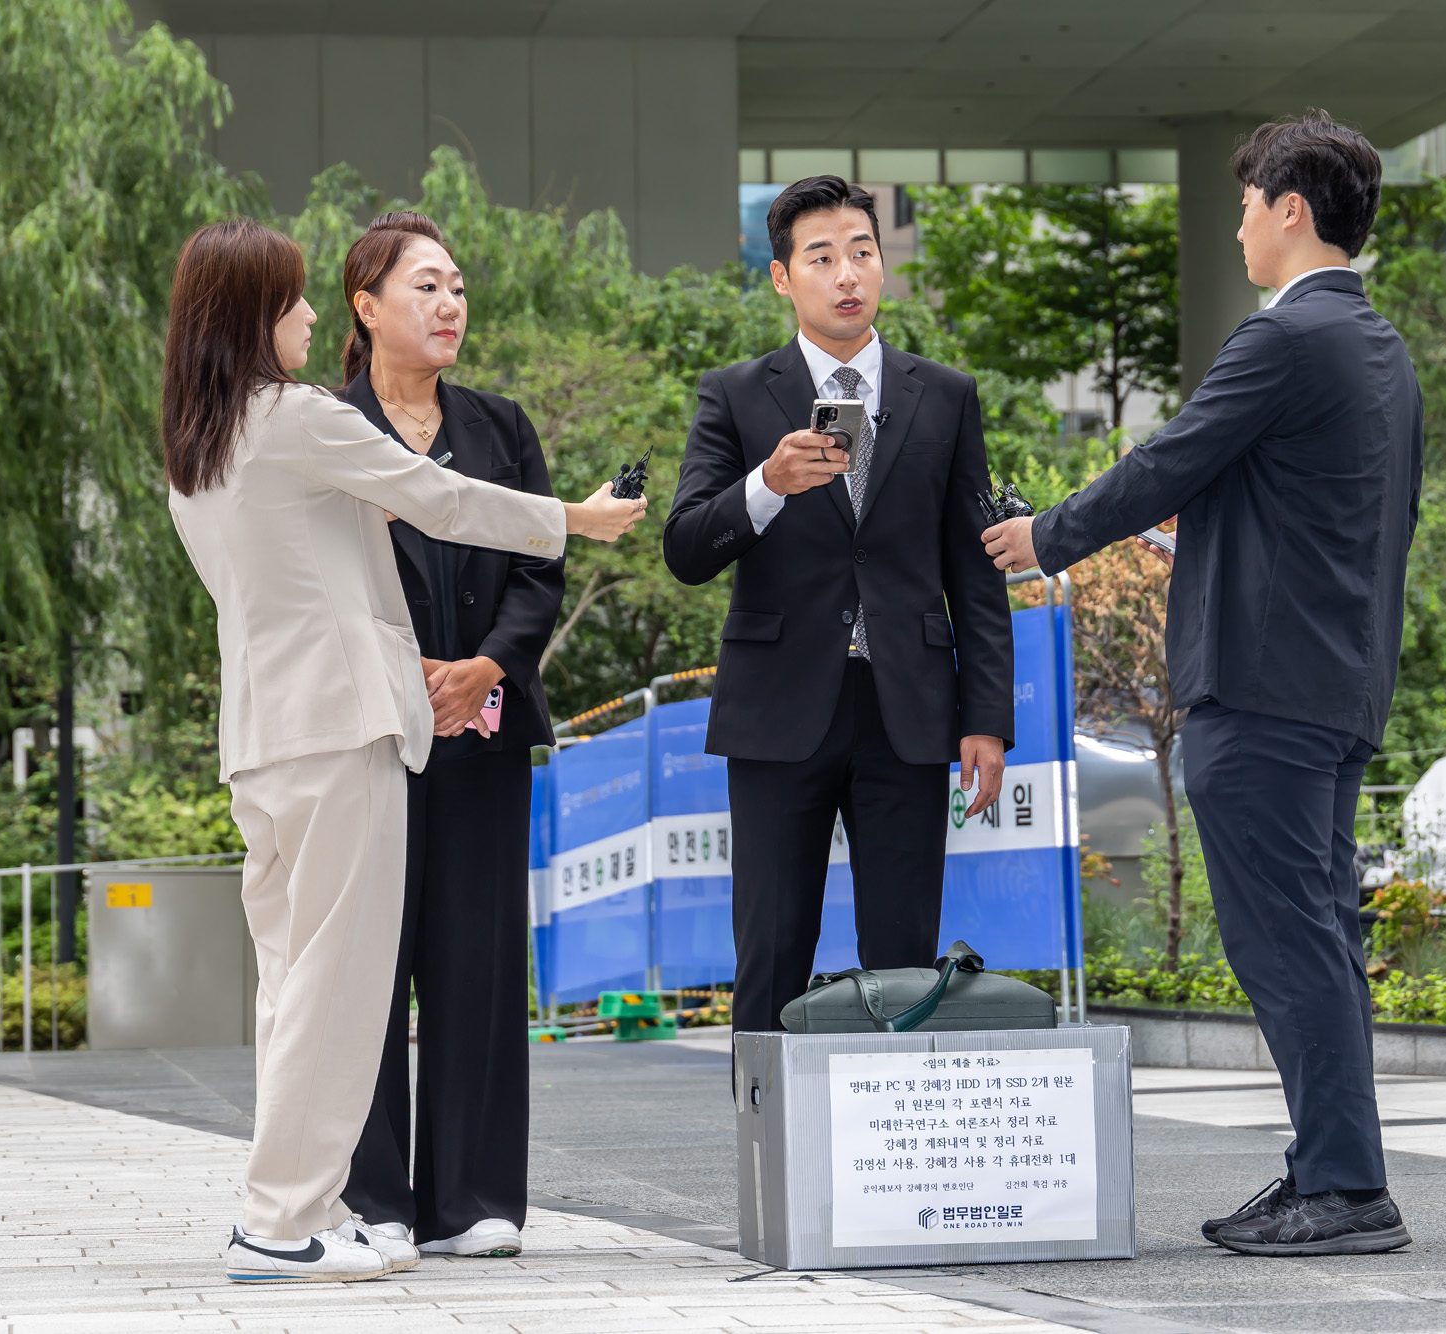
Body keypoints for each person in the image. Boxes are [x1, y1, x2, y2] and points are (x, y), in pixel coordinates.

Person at [161, 218, 642, 1284]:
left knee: (293, 984)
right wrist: (580, 518)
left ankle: (293, 1204)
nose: (303, 319)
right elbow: (442, 497)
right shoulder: (293, 417)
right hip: (341, 729)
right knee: (339, 983)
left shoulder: (197, 443)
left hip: (263, 739)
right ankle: (283, 1218)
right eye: (290, 302)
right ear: (251, 316)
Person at [982, 112, 1423, 1256]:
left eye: (1242, 205)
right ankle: (1330, 1169)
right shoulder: (1376, 347)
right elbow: (1319, 510)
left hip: (1261, 690)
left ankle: (1342, 1185)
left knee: (1287, 941)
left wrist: (1048, 535)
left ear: (1288, 208)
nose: (1233, 228)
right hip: (1336, 684)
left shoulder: (1278, 339)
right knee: (1316, 933)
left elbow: (1167, 457)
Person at [663, 175, 1014, 1040]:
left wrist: (988, 719)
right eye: (821, 258)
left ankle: (887, 1165)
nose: (847, 273)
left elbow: (976, 569)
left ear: (882, 267)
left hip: (909, 707)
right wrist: (766, 486)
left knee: (904, 958)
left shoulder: (946, 394)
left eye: (862, 252)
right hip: (781, 707)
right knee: (773, 946)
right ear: (784, 278)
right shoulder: (738, 394)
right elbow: (684, 549)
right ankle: (763, 1157)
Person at [332, 213, 558, 1262]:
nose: (449, 303)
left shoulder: (500, 425)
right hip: (367, 735)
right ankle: (369, 1196)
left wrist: (485, 668)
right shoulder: (322, 425)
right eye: (425, 286)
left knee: (474, 961)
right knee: (368, 959)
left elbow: (538, 563)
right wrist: (405, 677)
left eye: (457, 285)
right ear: (365, 305)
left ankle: (468, 1197)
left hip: (484, 731)